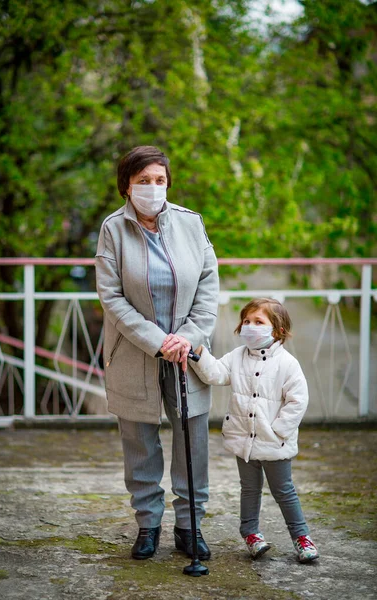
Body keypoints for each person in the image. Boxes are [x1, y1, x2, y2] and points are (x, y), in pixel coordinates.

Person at [95, 145, 219, 560]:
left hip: (188, 353)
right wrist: (157, 341)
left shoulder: (190, 223)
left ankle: (190, 526)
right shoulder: (113, 229)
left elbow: (208, 287)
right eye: (143, 181)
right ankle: (148, 526)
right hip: (134, 353)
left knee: (192, 441)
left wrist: (188, 336)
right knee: (140, 445)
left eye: (159, 180)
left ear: (168, 182)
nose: (152, 188)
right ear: (126, 186)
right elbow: (111, 297)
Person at [189, 297, 319, 564]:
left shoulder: (287, 363)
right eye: (246, 321)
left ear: (277, 330)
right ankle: (250, 533)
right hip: (243, 440)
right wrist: (197, 353)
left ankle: (301, 536)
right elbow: (215, 374)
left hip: (275, 442)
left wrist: (278, 430)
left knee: (284, 490)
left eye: (258, 322)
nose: (250, 326)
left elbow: (298, 400)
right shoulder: (236, 357)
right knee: (249, 488)